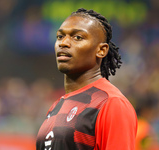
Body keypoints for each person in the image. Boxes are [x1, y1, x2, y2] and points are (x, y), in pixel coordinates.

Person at [36, 8, 137, 150]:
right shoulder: (56, 106)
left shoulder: (111, 103)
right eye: (59, 36)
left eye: (77, 37)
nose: (63, 43)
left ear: (101, 50)